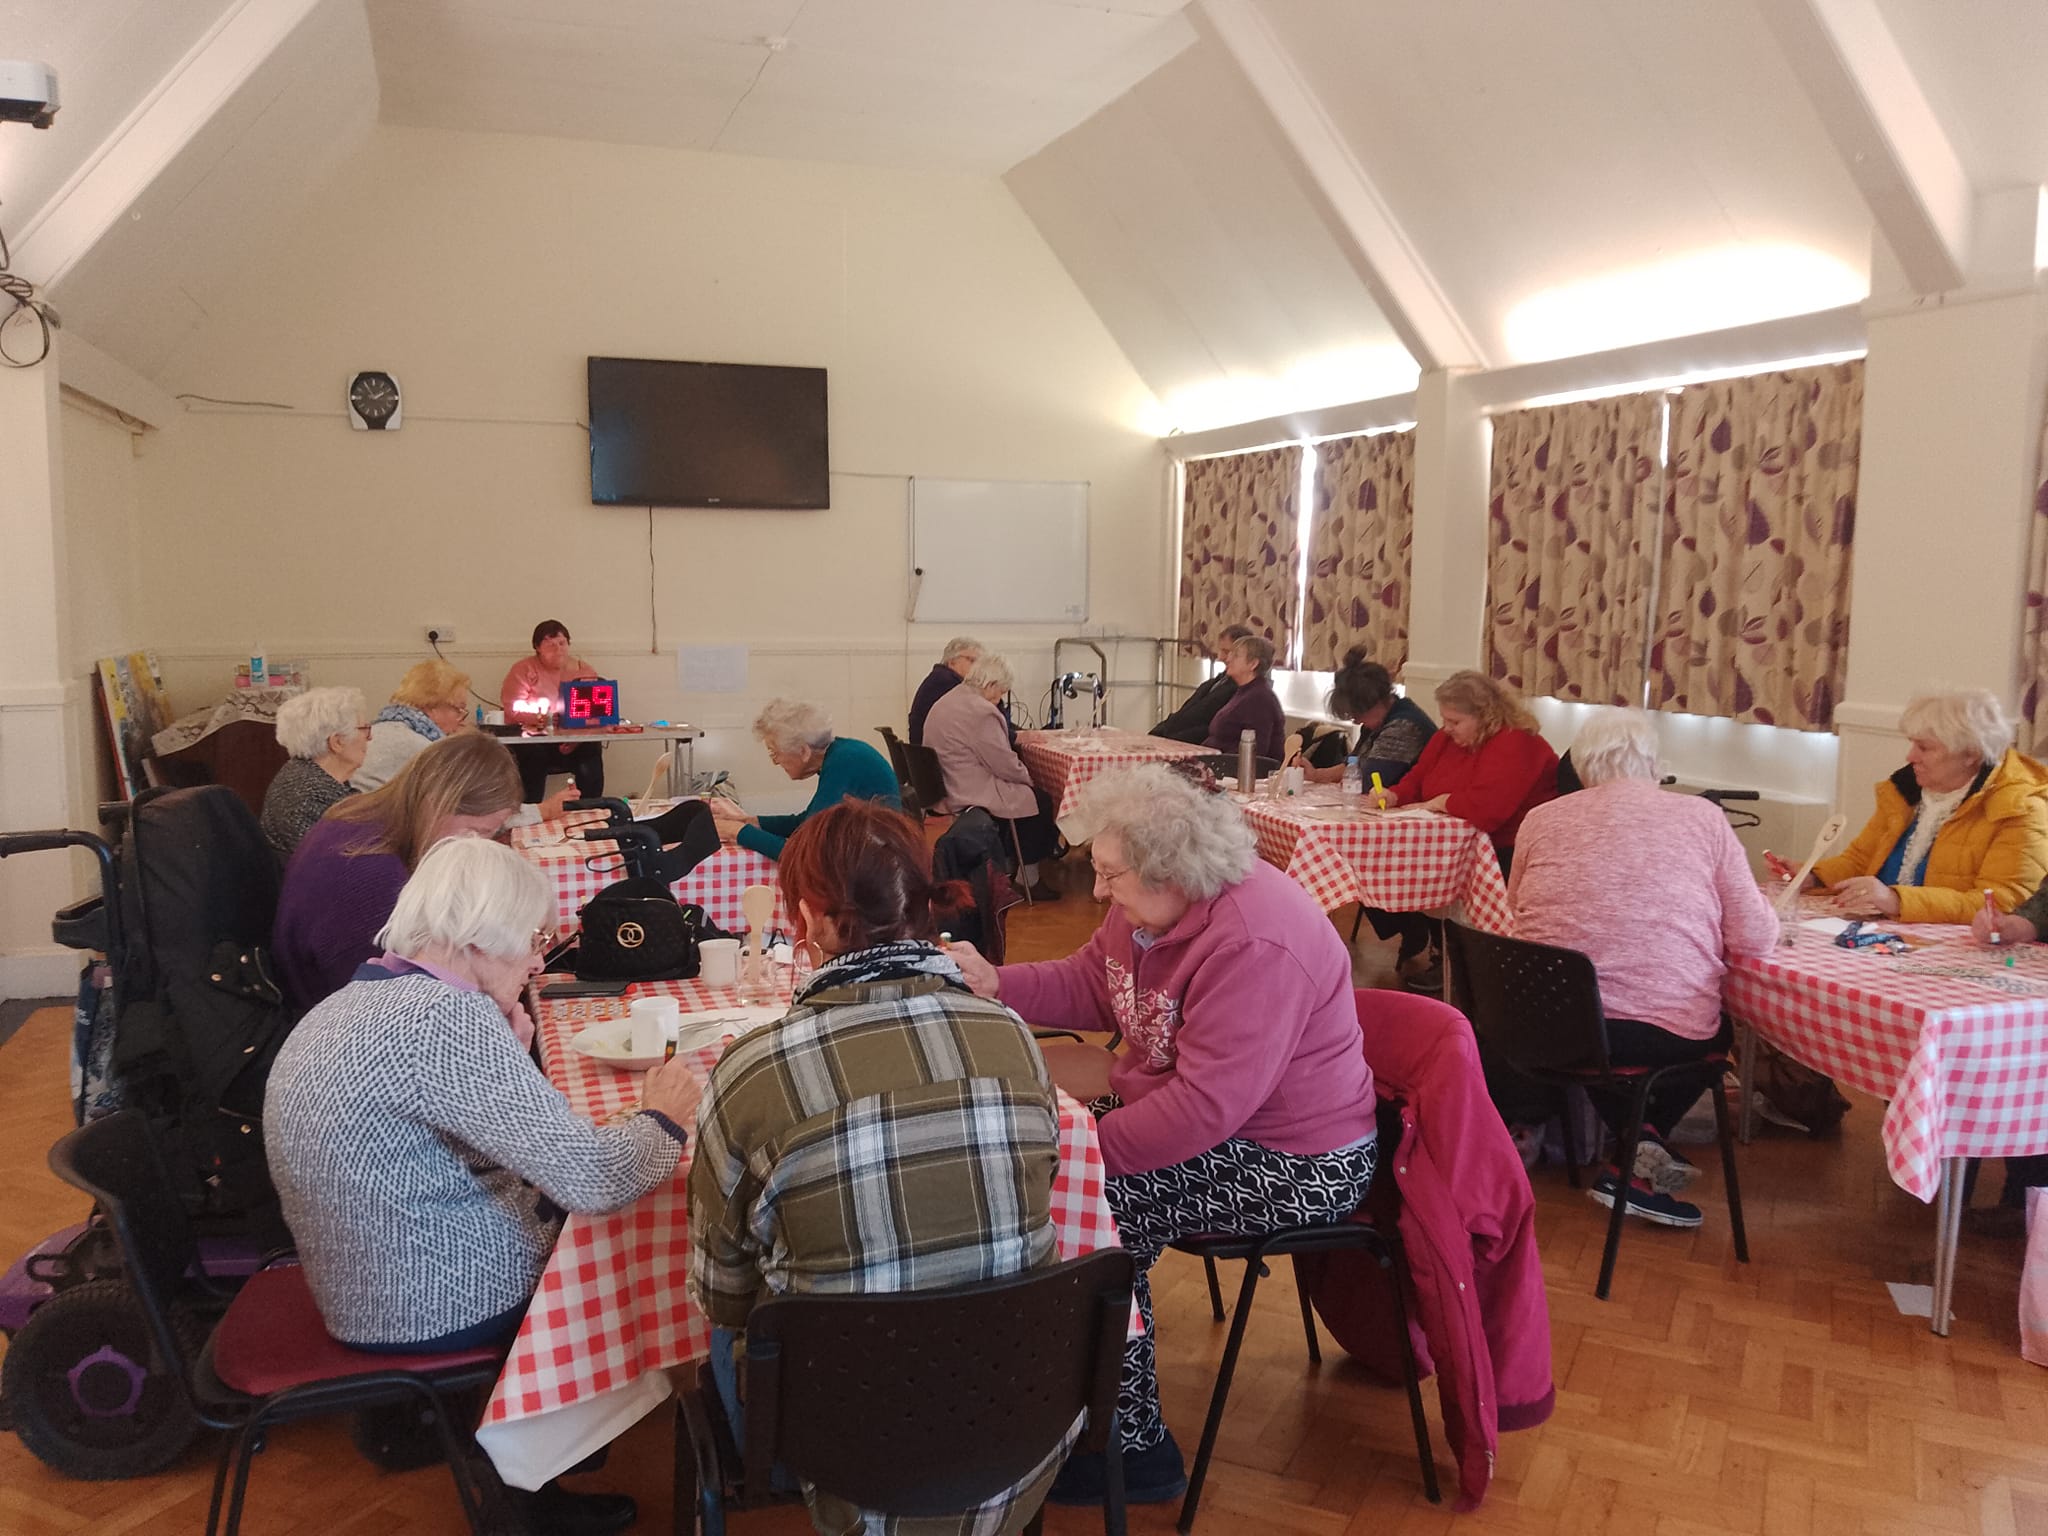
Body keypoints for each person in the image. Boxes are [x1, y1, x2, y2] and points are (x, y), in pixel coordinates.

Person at [946, 764, 1377, 1507]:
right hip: (1211, 1121)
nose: (1098, 889)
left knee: (1096, 1211)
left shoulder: (1255, 941)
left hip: (1299, 1160)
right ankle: (1058, 1391)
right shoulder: (1150, 911)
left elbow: (1204, 1110)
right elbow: (1095, 983)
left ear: (1171, 870)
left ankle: (1131, 1449)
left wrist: (1082, 1159)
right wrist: (995, 983)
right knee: (1033, 1164)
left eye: (1109, 874)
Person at [266, 835, 697, 1535]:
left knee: (570, 1206)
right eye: (531, 939)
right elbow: (595, 1178)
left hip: (364, 1277)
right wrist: (664, 1118)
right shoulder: (443, 1019)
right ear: (476, 936)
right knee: (612, 1248)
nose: (537, 960)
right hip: (425, 1297)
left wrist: (513, 1056)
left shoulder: (370, 991)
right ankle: (533, 1478)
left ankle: (537, 1472)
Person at [689, 801, 1062, 1536]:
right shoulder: (1013, 1037)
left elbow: (722, 1295)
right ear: (921, 906)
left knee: (728, 1331)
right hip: (1018, 1422)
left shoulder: (751, 1071)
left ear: (810, 919)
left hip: (843, 1450)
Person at [1509, 708, 1779, 1227]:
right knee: (1713, 1032)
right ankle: (1635, 1156)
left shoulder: (1540, 820)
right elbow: (1755, 936)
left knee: (1604, 1036)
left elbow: (1517, 907)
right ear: (1654, 766)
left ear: (1582, 769)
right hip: (1658, 1034)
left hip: (1547, 1029)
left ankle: (1635, 1152)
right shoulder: (1702, 818)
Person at [273, 732, 526, 1012]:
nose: (478, 846)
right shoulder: (373, 874)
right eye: (475, 832)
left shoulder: (359, 819)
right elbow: (393, 1005)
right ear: (437, 802)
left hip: (321, 1002)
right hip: (329, 1019)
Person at [1770, 690, 2048, 922]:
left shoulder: (2020, 808)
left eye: (1924, 748)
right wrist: (1812, 876)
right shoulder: (1905, 792)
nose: (1910, 756)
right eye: (1912, 744)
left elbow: (2002, 904)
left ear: (1971, 755)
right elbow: (1859, 861)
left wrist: (1896, 900)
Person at [1371, 671, 1558, 988]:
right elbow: (1418, 777)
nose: (1446, 728)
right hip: (1456, 839)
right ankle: (1440, 950)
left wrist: (1443, 802)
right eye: (1445, 719)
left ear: (1484, 716)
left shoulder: (1516, 741)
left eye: (1455, 721)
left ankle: (1464, 963)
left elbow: (1488, 809)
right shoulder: (1446, 740)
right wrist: (1394, 795)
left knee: (1424, 870)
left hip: (1510, 847)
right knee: (1392, 863)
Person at [923, 652, 1063, 898]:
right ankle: (1028, 878)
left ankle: (1008, 863)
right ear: (990, 684)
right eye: (1001, 691)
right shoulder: (981, 711)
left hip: (947, 783)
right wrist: (1029, 779)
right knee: (1040, 800)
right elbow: (1003, 763)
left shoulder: (949, 699)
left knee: (1030, 796)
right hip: (968, 788)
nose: (1000, 699)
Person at [711, 699, 901, 860]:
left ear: (803, 751)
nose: (775, 762)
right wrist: (749, 821)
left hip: (878, 864)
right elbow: (807, 822)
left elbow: (806, 854)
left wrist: (737, 832)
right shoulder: (841, 753)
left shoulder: (844, 763)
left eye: (774, 752)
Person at [1293, 648, 1437, 786]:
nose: (1356, 721)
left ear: (1375, 703)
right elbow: (1353, 766)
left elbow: (1370, 781)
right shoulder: (1377, 721)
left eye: (1357, 714)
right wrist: (1316, 775)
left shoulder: (1402, 727)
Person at [499, 619, 605, 801]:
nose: (558, 650)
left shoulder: (584, 671)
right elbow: (511, 710)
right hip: (534, 741)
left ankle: (590, 807)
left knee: (591, 749)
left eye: (562, 643)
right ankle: (532, 809)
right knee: (533, 756)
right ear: (537, 647)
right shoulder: (523, 670)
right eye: (550, 645)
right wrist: (538, 718)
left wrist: (577, 739)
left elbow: (596, 715)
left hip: (573, 741)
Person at [260, 686, 369, 858]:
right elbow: (347, 861)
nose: (370, 737)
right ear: (337, 742)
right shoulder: (307, 795)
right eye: (365, 730)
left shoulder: (307, 775)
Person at [353, 659, 474, 793]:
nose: (462, 719)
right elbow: (456, 795)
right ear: (433, 706)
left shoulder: (377, 730)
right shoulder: (424, 750)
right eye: (459, 709)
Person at [1151, 624, 1253, 744]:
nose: (1220, 657)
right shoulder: (1215, 682)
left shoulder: (1243, 692)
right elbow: (1184, 713)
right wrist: (1157, 733)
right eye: (1221, 651)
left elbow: (1212, 728)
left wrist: (1171, 739)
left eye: (1227, 652)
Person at [1200, 632, 1286, 760]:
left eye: (1235, 655)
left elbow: (1256, 751)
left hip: (1238, 768)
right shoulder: (1245, 691)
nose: (1228, 659)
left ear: (1253, 664)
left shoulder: (1259, 698)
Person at [908, 635, 981, 746]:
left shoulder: (940, 676)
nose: (977, 667)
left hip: (923, 749)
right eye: (971, 660)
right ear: (952, 662)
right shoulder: (948, 682)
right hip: (932, 750)